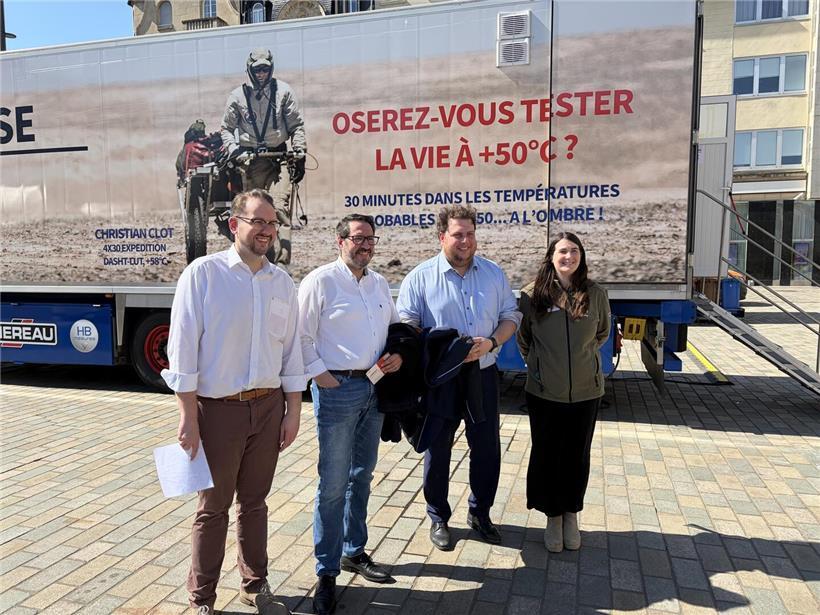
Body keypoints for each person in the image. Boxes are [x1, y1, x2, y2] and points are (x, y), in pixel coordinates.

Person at [162, 188, 306, 615]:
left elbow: (291, 351)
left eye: (272, 223)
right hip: (218, 410)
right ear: (234, 224)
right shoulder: (203, 275)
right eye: (257, 221)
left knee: (256, 503)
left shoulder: (282, 282)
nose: (265, 230)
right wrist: (188, 418)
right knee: (213, 509)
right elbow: (183, 351)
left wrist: (292, 411)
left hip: (267, 407)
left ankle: (254, 584)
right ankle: (202, 598)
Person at [396, 204, 521, 550]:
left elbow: (511, 316)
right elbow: (407, 328)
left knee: (486, 447)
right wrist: (437, 351)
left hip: (482, 374)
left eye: (470, 233)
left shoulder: (493, 274)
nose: (466, 241)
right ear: (442, 237)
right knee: (438, 447)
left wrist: (492, 342)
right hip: (442, 380)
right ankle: (438, 516)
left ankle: (480, 513)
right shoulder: (419, 278)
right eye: (458, 234)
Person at [298, 214, 403, 615]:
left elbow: (394, 330)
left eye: (370, 239)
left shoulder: (378, 283)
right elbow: (301, 336)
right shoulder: (321, 281)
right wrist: (321, 377)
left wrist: (397, 356)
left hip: (375, 388)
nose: (366, 245)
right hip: (338, 390)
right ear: (340, 241)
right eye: (358, 238)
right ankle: (325, 572)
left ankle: (353, 551)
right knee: (333, 483)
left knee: (362, 476)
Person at [516, 232, 611, 553]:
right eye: (562, 252)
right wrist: (541, 366)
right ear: (551, 257)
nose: (568, 257)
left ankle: (571, 514)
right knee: (547, 455)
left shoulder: (595, 293)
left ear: (581, 256)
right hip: (544, 392)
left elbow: (601, 333)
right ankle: (552, 516)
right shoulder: (533, 294)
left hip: (587, 392)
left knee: (576, 456)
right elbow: (524, 338)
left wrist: (583, 364)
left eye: (574, 251)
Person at [221, 48, 307, 265]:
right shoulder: (237, 96)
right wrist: (234, 150)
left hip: (279, 157)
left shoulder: (284, 92)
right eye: (257, 69)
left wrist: (300, 153)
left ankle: (280, 264)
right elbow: (226, 129)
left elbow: (296, 126)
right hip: (251, 161)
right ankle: (257, 260)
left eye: (265, 69)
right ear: (250, 70)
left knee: (279, 209)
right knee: (256, 212)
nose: (261, 74)